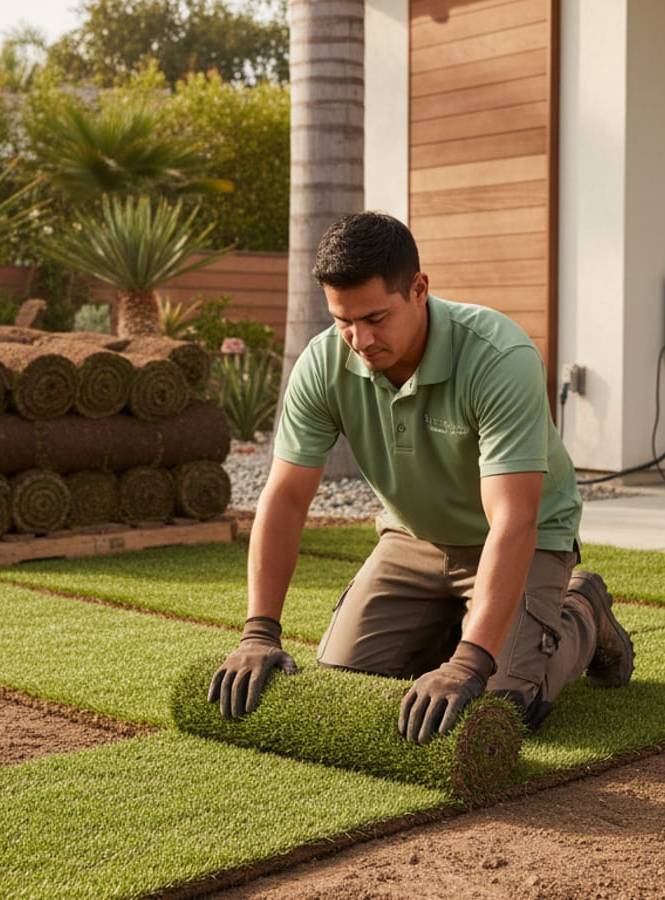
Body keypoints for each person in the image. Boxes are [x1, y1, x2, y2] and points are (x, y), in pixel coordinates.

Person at [208, 211, 634, 743]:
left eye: (375, 318)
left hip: (523, 540)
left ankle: (581, 612)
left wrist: (470, 663)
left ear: (419, 289)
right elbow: (287, 498)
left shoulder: (499, 357)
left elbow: (514, 520)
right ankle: (458, 628)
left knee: (498, 704)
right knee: (346, 686)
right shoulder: (322, 364)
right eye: (343, 320)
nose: (359, 339)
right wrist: (259, 632)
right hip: (413, 540)